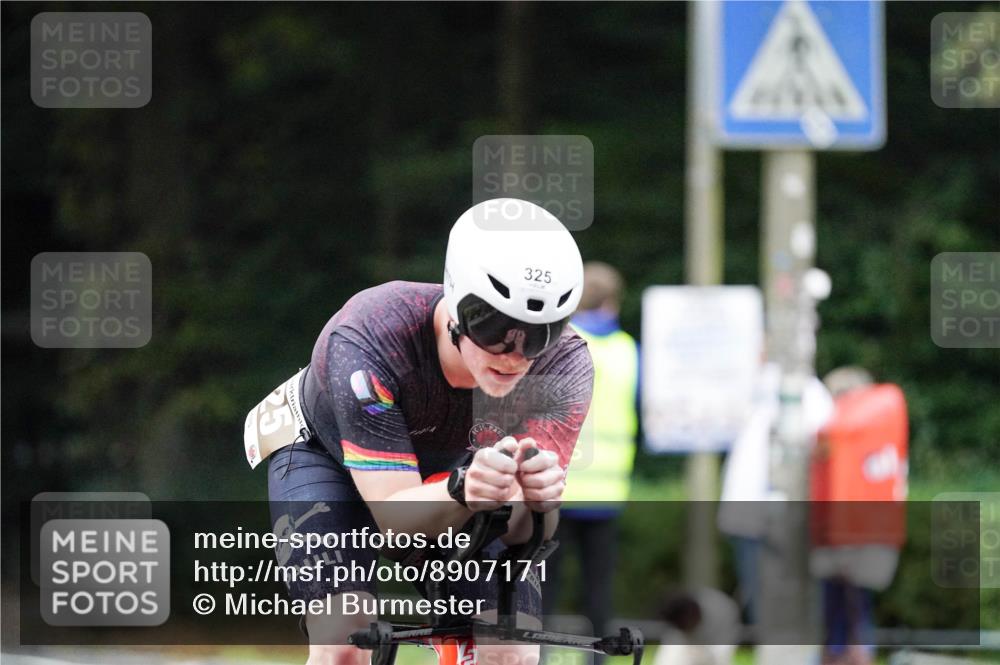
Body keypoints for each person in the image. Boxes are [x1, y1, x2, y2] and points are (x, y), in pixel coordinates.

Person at [245, 198, 594, 665]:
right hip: (330, 460)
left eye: (538, 334)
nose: (514, 355)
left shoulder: (564, 364)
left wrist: (537, 504)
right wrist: (463, 488)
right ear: (456, 303)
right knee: (345, 644)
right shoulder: (370, 334)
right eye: (493, 328)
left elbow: (525, 536)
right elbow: (395, 522)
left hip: (460, 483)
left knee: (509, 652)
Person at [541, 262, 638, 650]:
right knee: (598, 588)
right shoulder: (628, 350)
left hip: (555, 485)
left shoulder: (557, 343)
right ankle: (599, 658)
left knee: (544, 586)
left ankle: (539, 656)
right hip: (608, 492)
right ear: (613, 302)